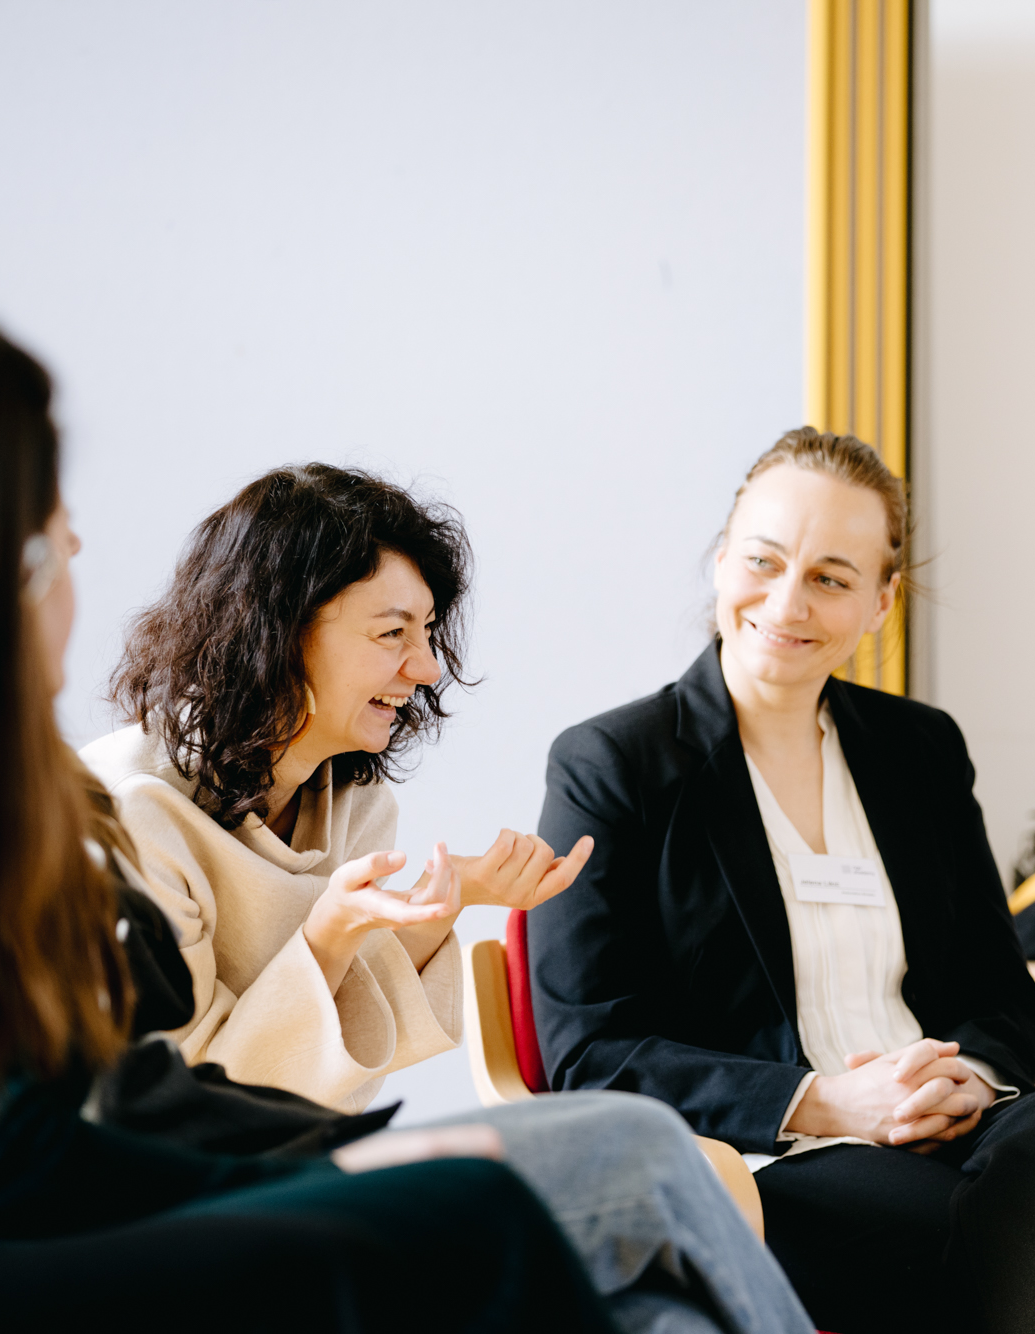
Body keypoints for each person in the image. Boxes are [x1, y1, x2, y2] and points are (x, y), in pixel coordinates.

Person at [0, 278, 617, 1332]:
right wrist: (330, 1170)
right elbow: (8, 1157)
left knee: (546, 1184)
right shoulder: (72, 806)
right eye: (48, 541)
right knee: (480, 1214)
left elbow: (31, 1130)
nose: (424, 668)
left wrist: (336, 1155)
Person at [87, 465, 812, 1334]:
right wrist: (328, 938)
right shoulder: (133, 814)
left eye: (428, 632)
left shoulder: (349, 800)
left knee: (662, 1317)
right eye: (393, 632)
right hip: (203, 1207)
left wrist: (450, 899)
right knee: (649, 1149)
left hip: (307, 1172)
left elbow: (338, 1070)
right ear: (277, 628)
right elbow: (186, 1120)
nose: (427, 666)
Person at [529, 427, 1035, 1334]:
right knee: (1033, 1222)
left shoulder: (922, 751)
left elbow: (1003, 995)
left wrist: (969, 1080)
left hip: (956, 1133)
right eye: (764, 561)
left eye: (831, 578)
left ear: (881, 602)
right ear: (722, 561)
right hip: (769, 1158)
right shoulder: (612, 765)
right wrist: (827, 1103)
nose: (787, 601)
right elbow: (590, 1051)